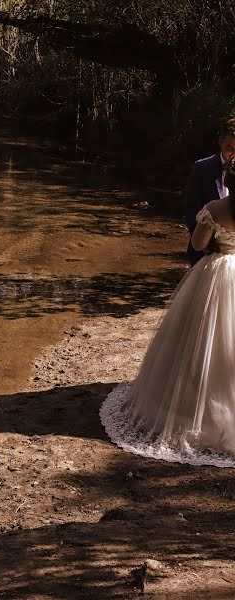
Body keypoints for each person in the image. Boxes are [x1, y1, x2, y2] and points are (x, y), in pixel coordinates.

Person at [101, 156, 235, 467]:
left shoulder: (216, 208)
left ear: (228, 180)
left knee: (200, 340)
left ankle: (189, 410)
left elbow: (199, 243)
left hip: (216, 273)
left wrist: (216, 241)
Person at [185, 118, 235, 265]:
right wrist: (206, 243)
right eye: (230, 148)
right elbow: (191, 211)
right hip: (207, 256)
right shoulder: (202, 169)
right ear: (220, 141)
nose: (234, 154)